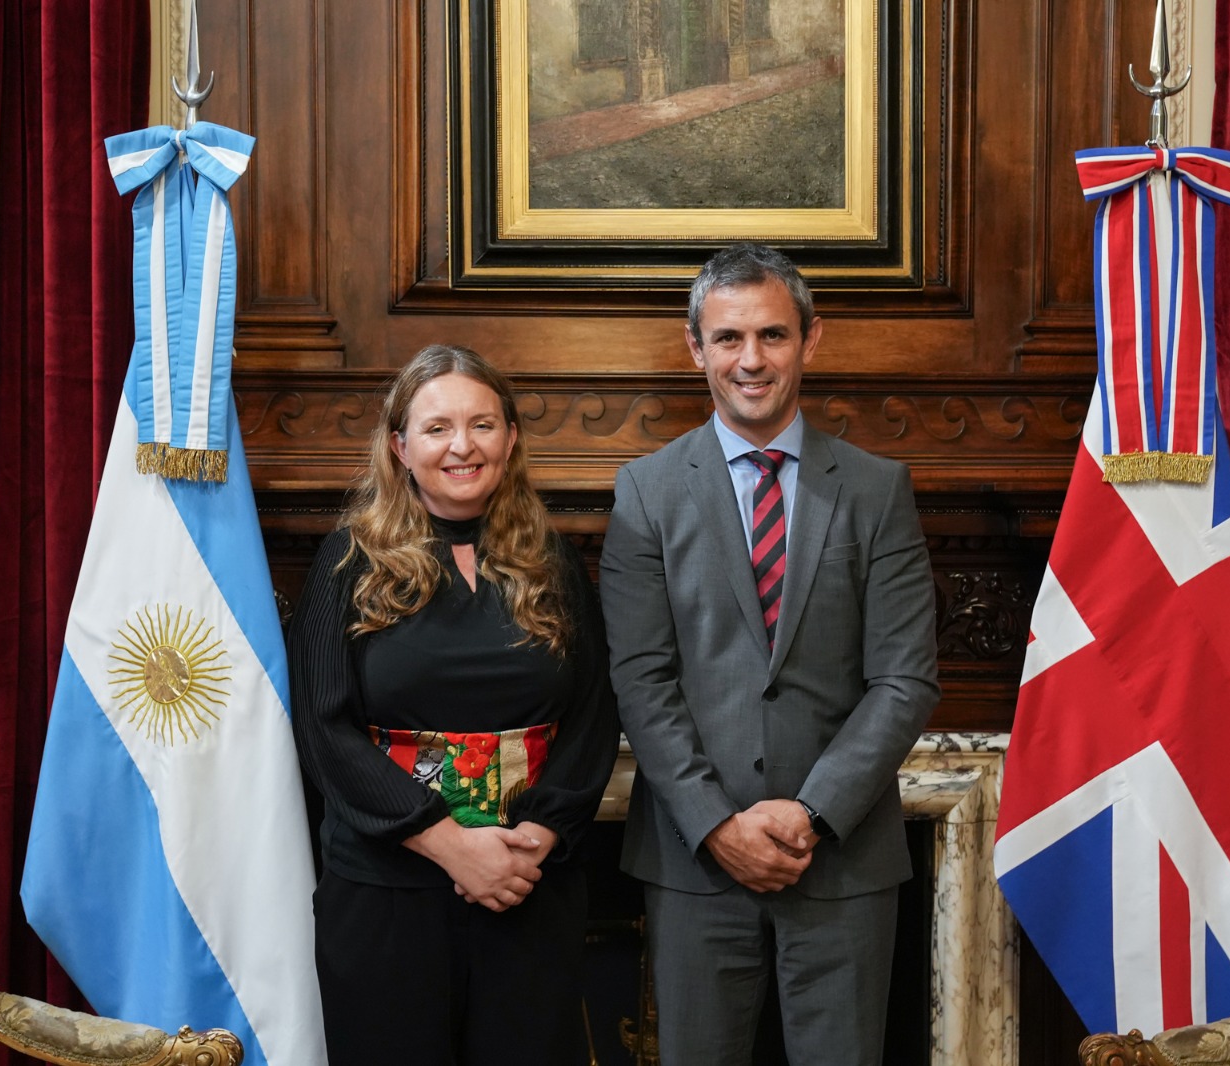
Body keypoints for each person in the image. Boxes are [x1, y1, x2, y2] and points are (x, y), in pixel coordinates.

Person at [599, 243, 940, 1065]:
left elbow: (905, 678)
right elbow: (640, 680)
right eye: (727, 338)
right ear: (696, 348)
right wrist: (718, 825)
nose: (750, 360)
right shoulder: (645, 491)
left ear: (810, 340)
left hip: (843, 860)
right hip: (695, 863)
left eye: (773, 336)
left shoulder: (876, 488)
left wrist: (812, 811)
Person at [289, 344, 618, 1066]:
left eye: (482, 425)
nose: (462, 446)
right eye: (437, 428)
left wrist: (539, 837)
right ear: (400, 446)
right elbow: (322, 727)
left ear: (510, 440)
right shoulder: (349, 561)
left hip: (526, 885)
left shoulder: (551, 560)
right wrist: (449, 845)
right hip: (387, 892)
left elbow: (594, 711)